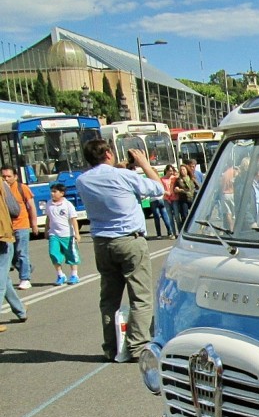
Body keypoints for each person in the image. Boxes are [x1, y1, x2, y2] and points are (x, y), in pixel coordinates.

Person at [76, 140, 164, 363]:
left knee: (109, 298)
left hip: (102, 242)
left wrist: (119, 166)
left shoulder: (82, 180)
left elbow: (107, 177)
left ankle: (111, 347)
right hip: (129, 240)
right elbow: (158, 189)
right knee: (140, 297)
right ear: (107, 153)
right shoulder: (123, 176)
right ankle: (137, 346)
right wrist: (144, 164)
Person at [1, 165, 40, 290]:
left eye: (9, 176)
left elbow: (31, 207)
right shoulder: (1, 188)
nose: (6, 179)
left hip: (21, 225)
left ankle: (25, 278)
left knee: (21, 252)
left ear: (16, 176)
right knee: (10, 255)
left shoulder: (22, 188)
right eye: (3, 176)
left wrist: (34, 224)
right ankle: (27, 268)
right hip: (7, 227)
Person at [0, 179, 29, 331]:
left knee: (4, 277)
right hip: (2, 236)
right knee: (1, 277)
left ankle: (20, 310)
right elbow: (14, 209)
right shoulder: (1, 184)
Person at [45, 183, 81, 285]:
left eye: (54, 192)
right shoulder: (49, 204)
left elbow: (73, 219)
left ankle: (74, 275)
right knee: (53, 253)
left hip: (67, 235)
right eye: (51, 191)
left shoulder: (67, 204)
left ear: (62, 193)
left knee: (71, 255)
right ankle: (60, 275)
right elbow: (48, 218)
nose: (52, 194)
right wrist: (46, 230)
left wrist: (77, 234)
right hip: (54, 234)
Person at [153, 165, 177, 238]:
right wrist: (166, 193)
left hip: (173, 198)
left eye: (172, 170)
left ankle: (174, 232)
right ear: (166, 171)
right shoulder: (161, 179)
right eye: (170, 170)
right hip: (164, 199)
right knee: (168, 217)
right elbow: (161, 189)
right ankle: (172, 233)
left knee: (176, 216)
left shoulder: (174, 178)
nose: (171, 172)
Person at [173, 162, 197, 229]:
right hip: (183, 199)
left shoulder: (192, 178)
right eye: (181, 170)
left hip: (192, 198)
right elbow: (175, 189)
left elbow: (198, 187)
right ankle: (185, 228)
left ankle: (194, 227)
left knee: (194, 213)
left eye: (183, 169)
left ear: (187, 170)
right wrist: (177, 189)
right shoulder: (178, 180)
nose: (182, 171)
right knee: (184, 215)